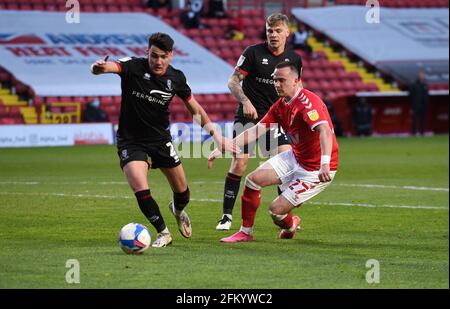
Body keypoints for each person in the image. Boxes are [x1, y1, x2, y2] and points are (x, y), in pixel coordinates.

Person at [90, 33, 237, 248]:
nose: (158, 61)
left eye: (163, 57)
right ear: (147, 53)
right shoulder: (132, 66)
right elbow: (107, 67)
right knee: (140, 187)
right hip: (130, 141)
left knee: (183, 193)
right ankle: (163, 232)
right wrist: (97, 68)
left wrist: (217, 136)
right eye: (154, 56)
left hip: (160, 140)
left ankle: (177, 210)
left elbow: (195, 109)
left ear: (171, 55)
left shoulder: (176, 78)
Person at [208, 61, 339, 242]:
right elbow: (255, 131)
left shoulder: (308, 103)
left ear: (296, 81)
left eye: (281, 80)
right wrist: (224, 146)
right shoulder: (280, 105)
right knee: (253, 180)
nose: (277, 84)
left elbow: (324, 131)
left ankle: (290, 224)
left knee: (275, 212)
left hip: (317, 169)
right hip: (295, 157)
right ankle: (246, 232)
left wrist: (324, 163)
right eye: (275, 80)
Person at [215, 13, 302, 231]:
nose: (273, 35)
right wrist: (245, 101)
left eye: (278, 31)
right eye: (270, 30)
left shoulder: (294, 59)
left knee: (285, 166)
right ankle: (226, 217)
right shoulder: (253, 52)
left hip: (276, 120)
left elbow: (296, 89)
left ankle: (285, 219)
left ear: (287, 33)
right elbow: (233, 81)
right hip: (249, 117)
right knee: (240, 163)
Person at [409, 70, 428, 136]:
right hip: (415, 105)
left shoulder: (425, 84)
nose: (422, 76)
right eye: (421, 75)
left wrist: (426, 104)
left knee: (422, 120)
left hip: (423, 105)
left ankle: (422, 132)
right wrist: (412, 105)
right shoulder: (414, 84)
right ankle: (413, 133)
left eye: (423, 75)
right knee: (414, 120)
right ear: (418, 76)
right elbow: (411, 95)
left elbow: (426, 95)